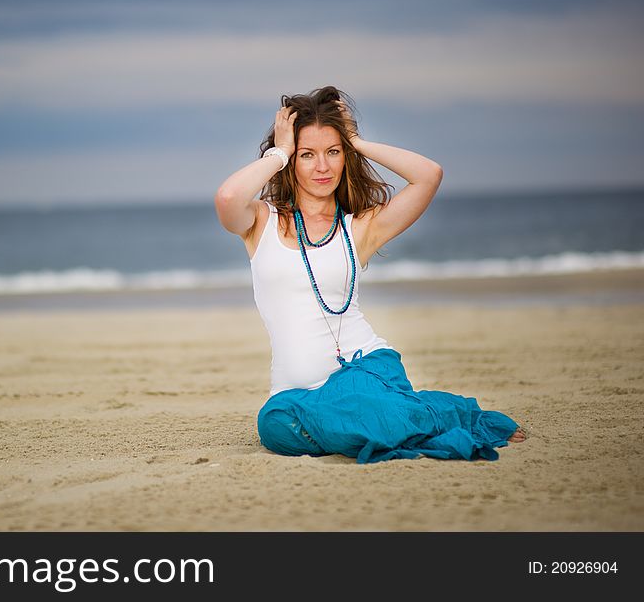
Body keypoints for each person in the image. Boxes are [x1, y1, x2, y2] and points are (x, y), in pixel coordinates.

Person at [213, 85, 526, 463]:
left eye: (333, 152)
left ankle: (413, 418)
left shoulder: (358, 228)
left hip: (363, 370)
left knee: (359, 407)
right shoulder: (261, 222)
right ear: (291, 160)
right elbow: (229, 199)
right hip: (295, 393)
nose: (322, 167)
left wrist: (357, 140)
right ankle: (398, 421)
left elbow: (429, 175)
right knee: (274, 424)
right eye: (307, 154)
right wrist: (278, 152)